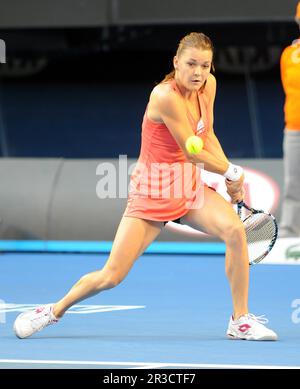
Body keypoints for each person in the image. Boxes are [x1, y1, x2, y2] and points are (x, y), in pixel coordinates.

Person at [13, 32, 277, 341]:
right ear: (176, 62)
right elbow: (193, 151)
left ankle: (240, 319)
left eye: (205, 66)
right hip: (153, 193)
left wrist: (230, 175)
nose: (198, 72)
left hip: (187, 187)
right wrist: (233, 173)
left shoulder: (208, 87)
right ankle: (52, 311)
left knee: (234, 231)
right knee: (111, 276)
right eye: (191, 64)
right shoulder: (163, 97)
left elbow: (207, 136)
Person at [279, 2, 300, 238]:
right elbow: (290, 89)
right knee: (293, 182)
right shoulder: (289, 55)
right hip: (294, 128)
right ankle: (289, 232)